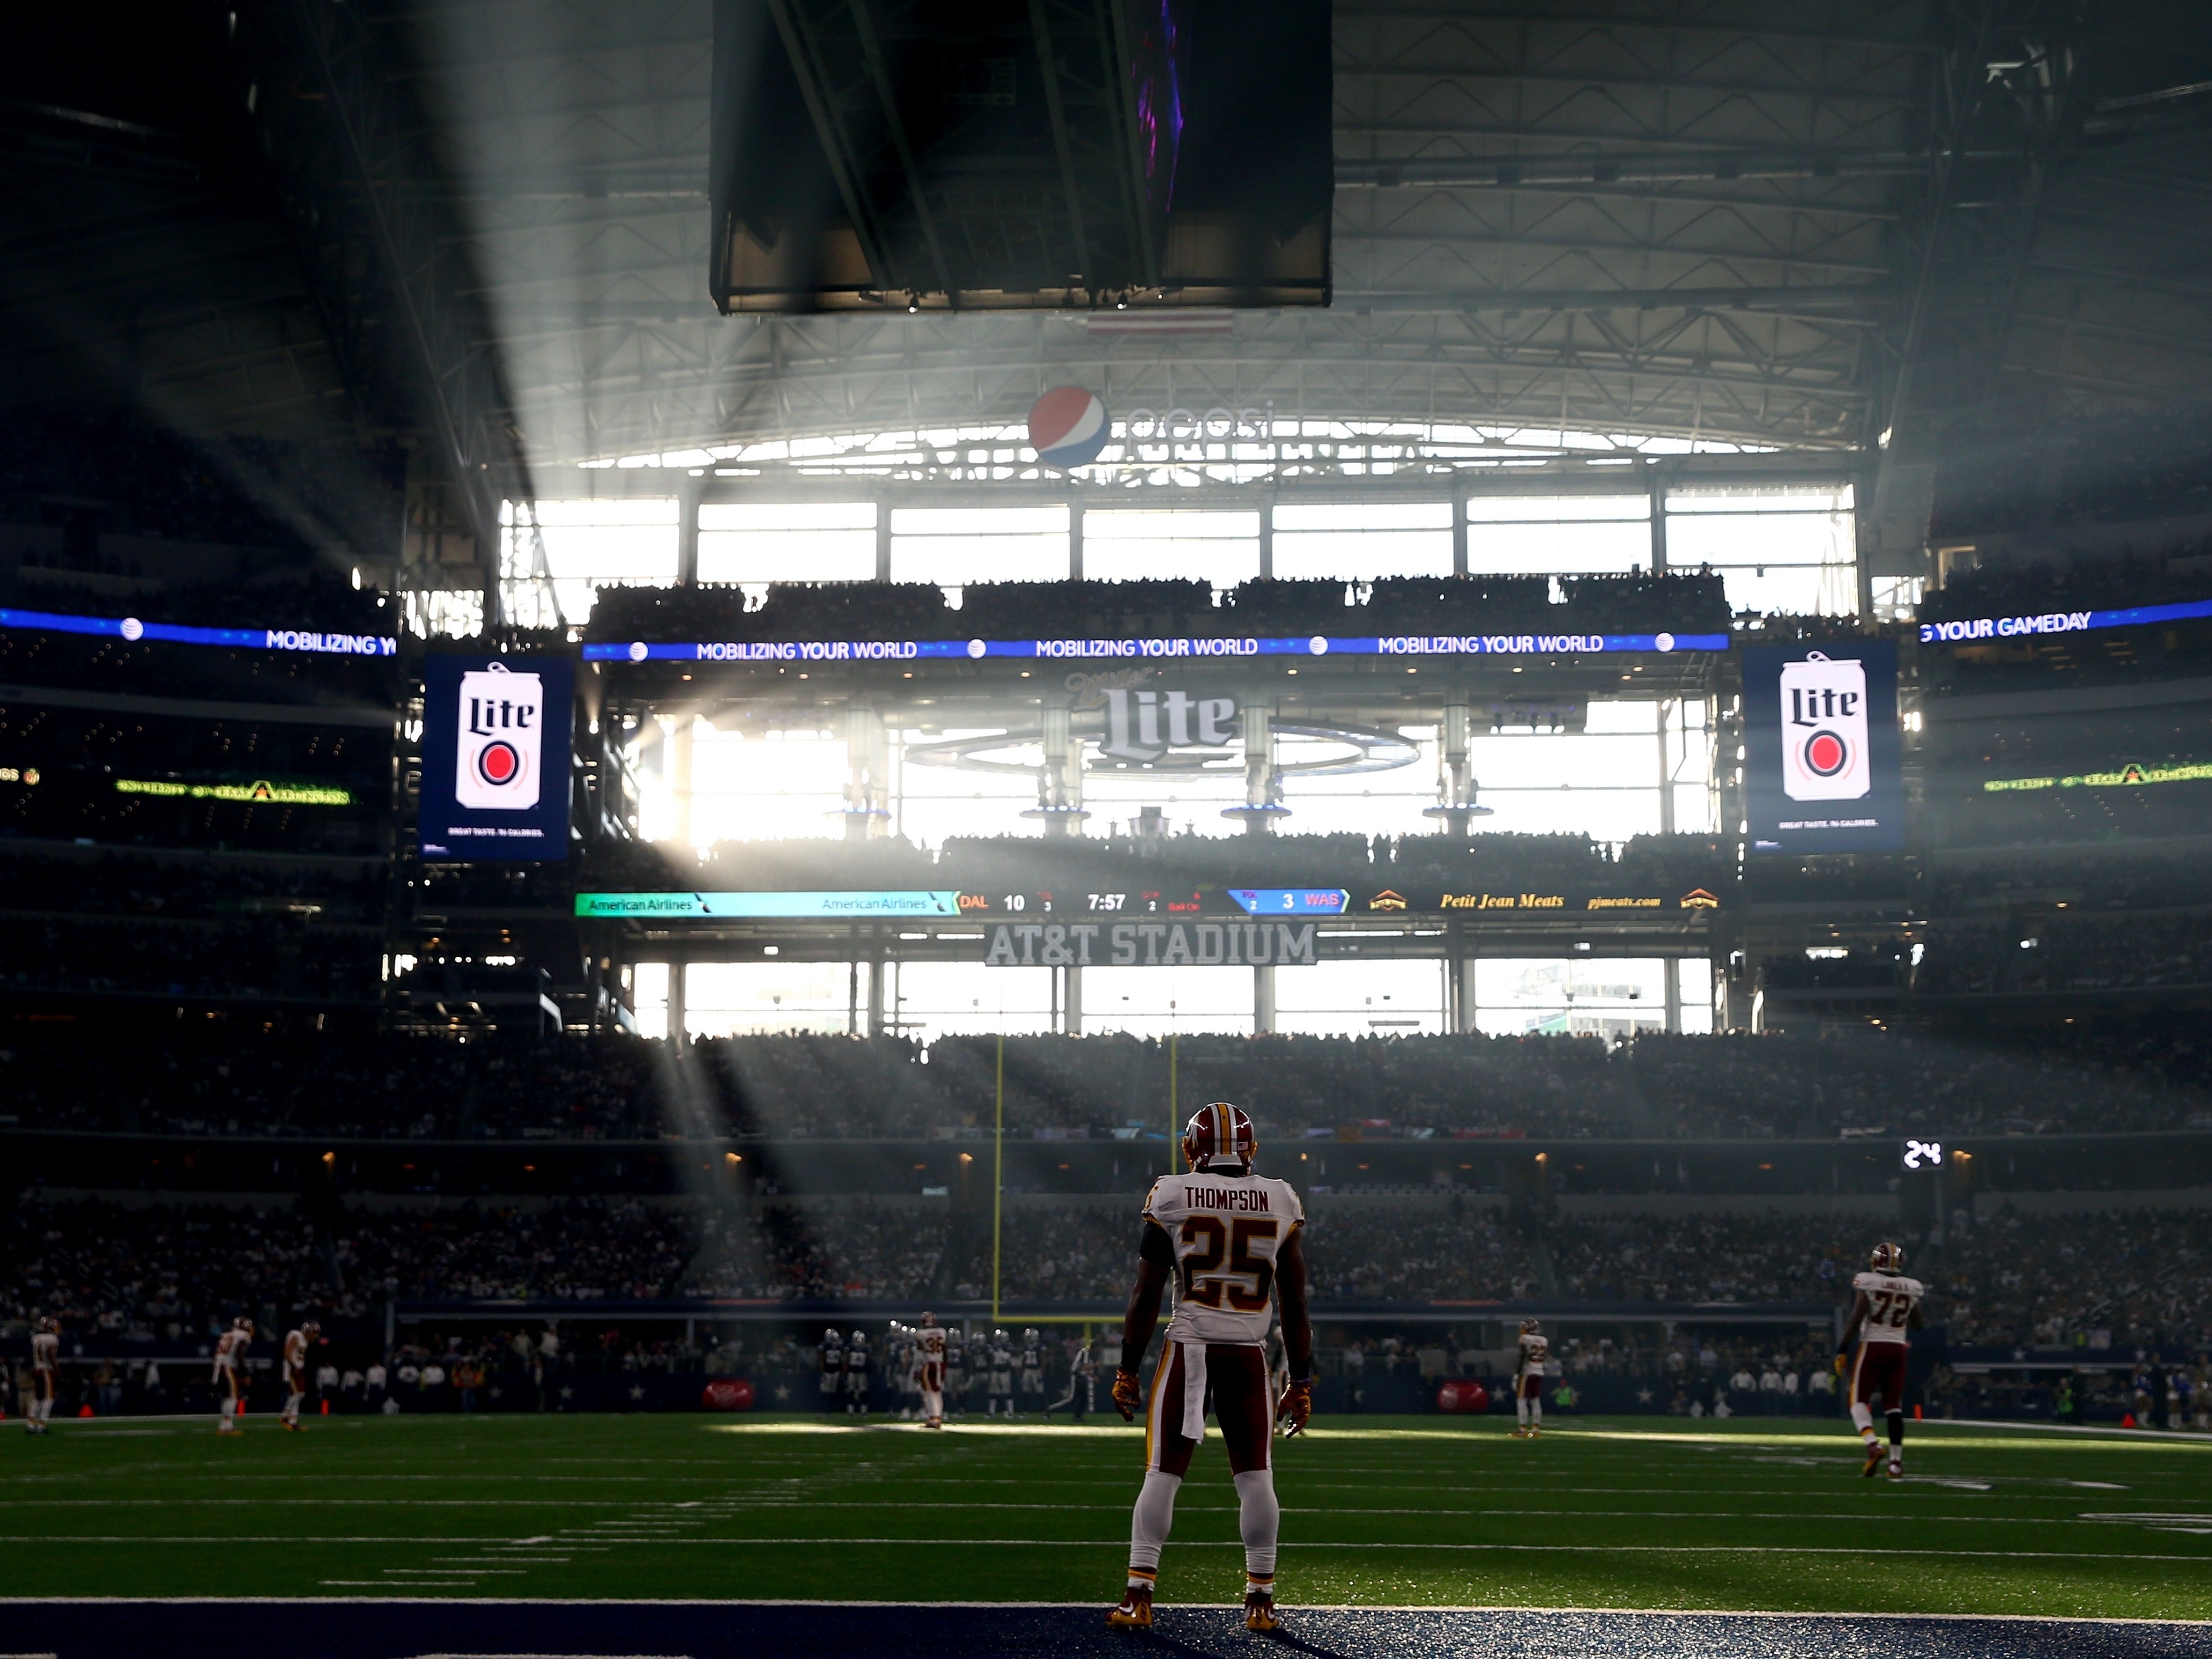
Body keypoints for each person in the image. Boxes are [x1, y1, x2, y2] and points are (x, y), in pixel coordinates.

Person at [1107, 1102, 1312, 1635]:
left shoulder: (1172, 1194)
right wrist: (1302, 1378)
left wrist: (1127, 1367)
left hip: (1189, 1348)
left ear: (1191, 1149)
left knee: (1163, 1474)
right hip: (1248, 1352)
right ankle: (1261, 1600)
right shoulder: (1281, 1197)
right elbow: (1294, 1302)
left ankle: (1139, 1594)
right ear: (1251, 1150)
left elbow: (1146, 1292)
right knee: (1255, 1476)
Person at [1835, 1240, 1925, 1481]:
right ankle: (1896, 1463)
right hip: (1898, 1348)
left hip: (1873, 1344)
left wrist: (1842, 1349)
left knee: (1857, 1400)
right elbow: (1918, 1325)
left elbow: (1856, 1318)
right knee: (1894, 1406)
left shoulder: (1868, 1281)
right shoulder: (1911, 1287)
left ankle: (1873, 1445)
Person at [212, 1317, 254, 1435]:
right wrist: (245, 1373)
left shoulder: (226, 1334)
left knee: (227, 1397)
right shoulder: (242, 1335)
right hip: (228, 1367)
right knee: (233, 1397)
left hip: (218, 1367)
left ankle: (224, 1426)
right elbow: (239, 1352)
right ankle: (227, 1427)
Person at [280, 1320, 321, 1431]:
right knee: (299, 1393)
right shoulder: (296, 1335)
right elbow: (288, 1351)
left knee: (298, 1394)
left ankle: (293, 1422)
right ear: (308, 1331)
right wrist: (293, 1366)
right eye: (315, 1333)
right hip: (292, 1368)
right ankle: (285, 1416)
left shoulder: (304, 1340)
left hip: (297, 1368)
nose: (316, 1336)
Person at [1512, 1319, 1549, 1438]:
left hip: (1527, 1372)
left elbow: (1523, 1356)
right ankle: (1536, 1429)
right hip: (1539, 1371)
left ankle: (1523, 1429)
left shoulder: (1524, 1339)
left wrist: (1517, 1374)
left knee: (1521, 1400)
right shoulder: (1544, 1340)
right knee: (1535, 1400)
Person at [1049, 1334, 1095, 1422]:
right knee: (1072, 1398)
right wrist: (1095, 1366)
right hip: (1077, 1376)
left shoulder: (1085, 1352)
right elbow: (1084, 1367)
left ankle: (1077, 1416)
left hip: (1079, 1376)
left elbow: (1084, 1369)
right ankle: (1050, 1409)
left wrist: (1094, 1376)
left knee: (1082, 1398)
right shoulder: (1086, 1352)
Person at [26, 1316, 59, 1435]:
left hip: (37, 1369)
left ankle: (30, 1424)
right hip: (46, 1370)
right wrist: (57, 1370)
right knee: (49, 1399)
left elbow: (32, 1356)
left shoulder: (36, 1338)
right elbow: (50, 1354)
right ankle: (41, 1425)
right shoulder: (52, 1339)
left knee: (37, 1398)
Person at [915, 1313, 947, 1430]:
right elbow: (944, 1348)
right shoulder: (943, 1332)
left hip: (929, 1364)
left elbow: (920, 1350)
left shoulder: (920, 1334)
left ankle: (935, 1418)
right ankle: (934, 1418)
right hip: (940, 1363)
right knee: (935, 1392)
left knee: (931, 1393)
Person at [1019, 1327, 1046, 1416]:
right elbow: (1024, 1360)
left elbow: (1043, 1359)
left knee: (1039, 1391)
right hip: (1028, 1370)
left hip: (1036, 1370)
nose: (1027, 1339)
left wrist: (1042, 1370)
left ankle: (1044, 1411)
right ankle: (1025, 1411)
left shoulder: (1040, 1347)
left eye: (1029, 1337)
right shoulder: (1026, 1347)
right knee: (1025, 1391)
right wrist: (1022, 1372)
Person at [988, 1329, 1014, 1418]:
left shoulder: (1008, 1347)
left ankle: (1010, 1412)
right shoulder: (994, 1347)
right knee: (993, 1392)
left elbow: (1008, 1358)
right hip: (996, 1370)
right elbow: (992, 1359)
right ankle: (992, 1412)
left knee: (1007, 1392)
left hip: (1005, 1371)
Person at [844, 1330, 869, 1415]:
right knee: (851, 1390)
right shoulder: (850, 1348)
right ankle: (851, 1410)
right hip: (852, 1371)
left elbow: (868, 1361)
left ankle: (863, 1410)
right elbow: (846, 1360)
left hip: (862, 1372)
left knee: (863, 1391)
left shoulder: (866, 1348)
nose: (858, 1341)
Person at [818, 1329, 843, 1413]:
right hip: (828, 1371)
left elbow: (841, 1359)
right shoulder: (824, 1346)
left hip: (836, 1371)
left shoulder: (839, 1347)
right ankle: (824, 1410)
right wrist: (823, 1370)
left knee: (832, 1391)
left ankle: (830, 1410)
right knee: (825, 1390)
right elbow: (821, 1359)